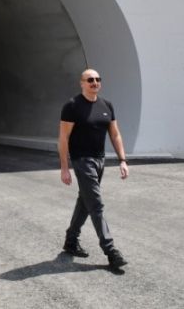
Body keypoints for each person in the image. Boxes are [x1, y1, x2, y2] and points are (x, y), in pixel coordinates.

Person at [59, 68, 129, 269]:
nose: (95, 82)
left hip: (100, 160)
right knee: (96, 204)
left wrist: (122, 160)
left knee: (85, 200)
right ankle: (111, 251)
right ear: (82, 83)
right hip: (82, 160)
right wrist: (65, 167)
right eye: (90, 80)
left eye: (98, 79)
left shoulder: (107, 105)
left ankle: (71, 240)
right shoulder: (72, 106)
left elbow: (115, 134)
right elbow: (63, 138)